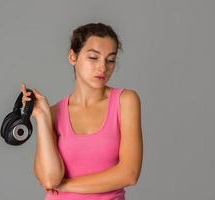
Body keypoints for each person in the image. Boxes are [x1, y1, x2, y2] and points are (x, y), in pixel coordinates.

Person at [21, 22, 143, 200]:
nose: (103, 67)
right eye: (93, 57)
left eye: (110, 59)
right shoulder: (54, 113)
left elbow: (129, 174)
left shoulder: (125, 101)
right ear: (73, 57)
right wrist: (42, 117)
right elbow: (49, 178)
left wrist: (67, 185)